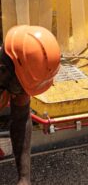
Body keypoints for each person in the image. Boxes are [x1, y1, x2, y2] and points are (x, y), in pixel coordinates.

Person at [0, 25, 61, 185]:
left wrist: (24, 178)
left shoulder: (14, 74)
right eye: (21, 87)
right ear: (3, 71)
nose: (21, 93)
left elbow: (21, 121)